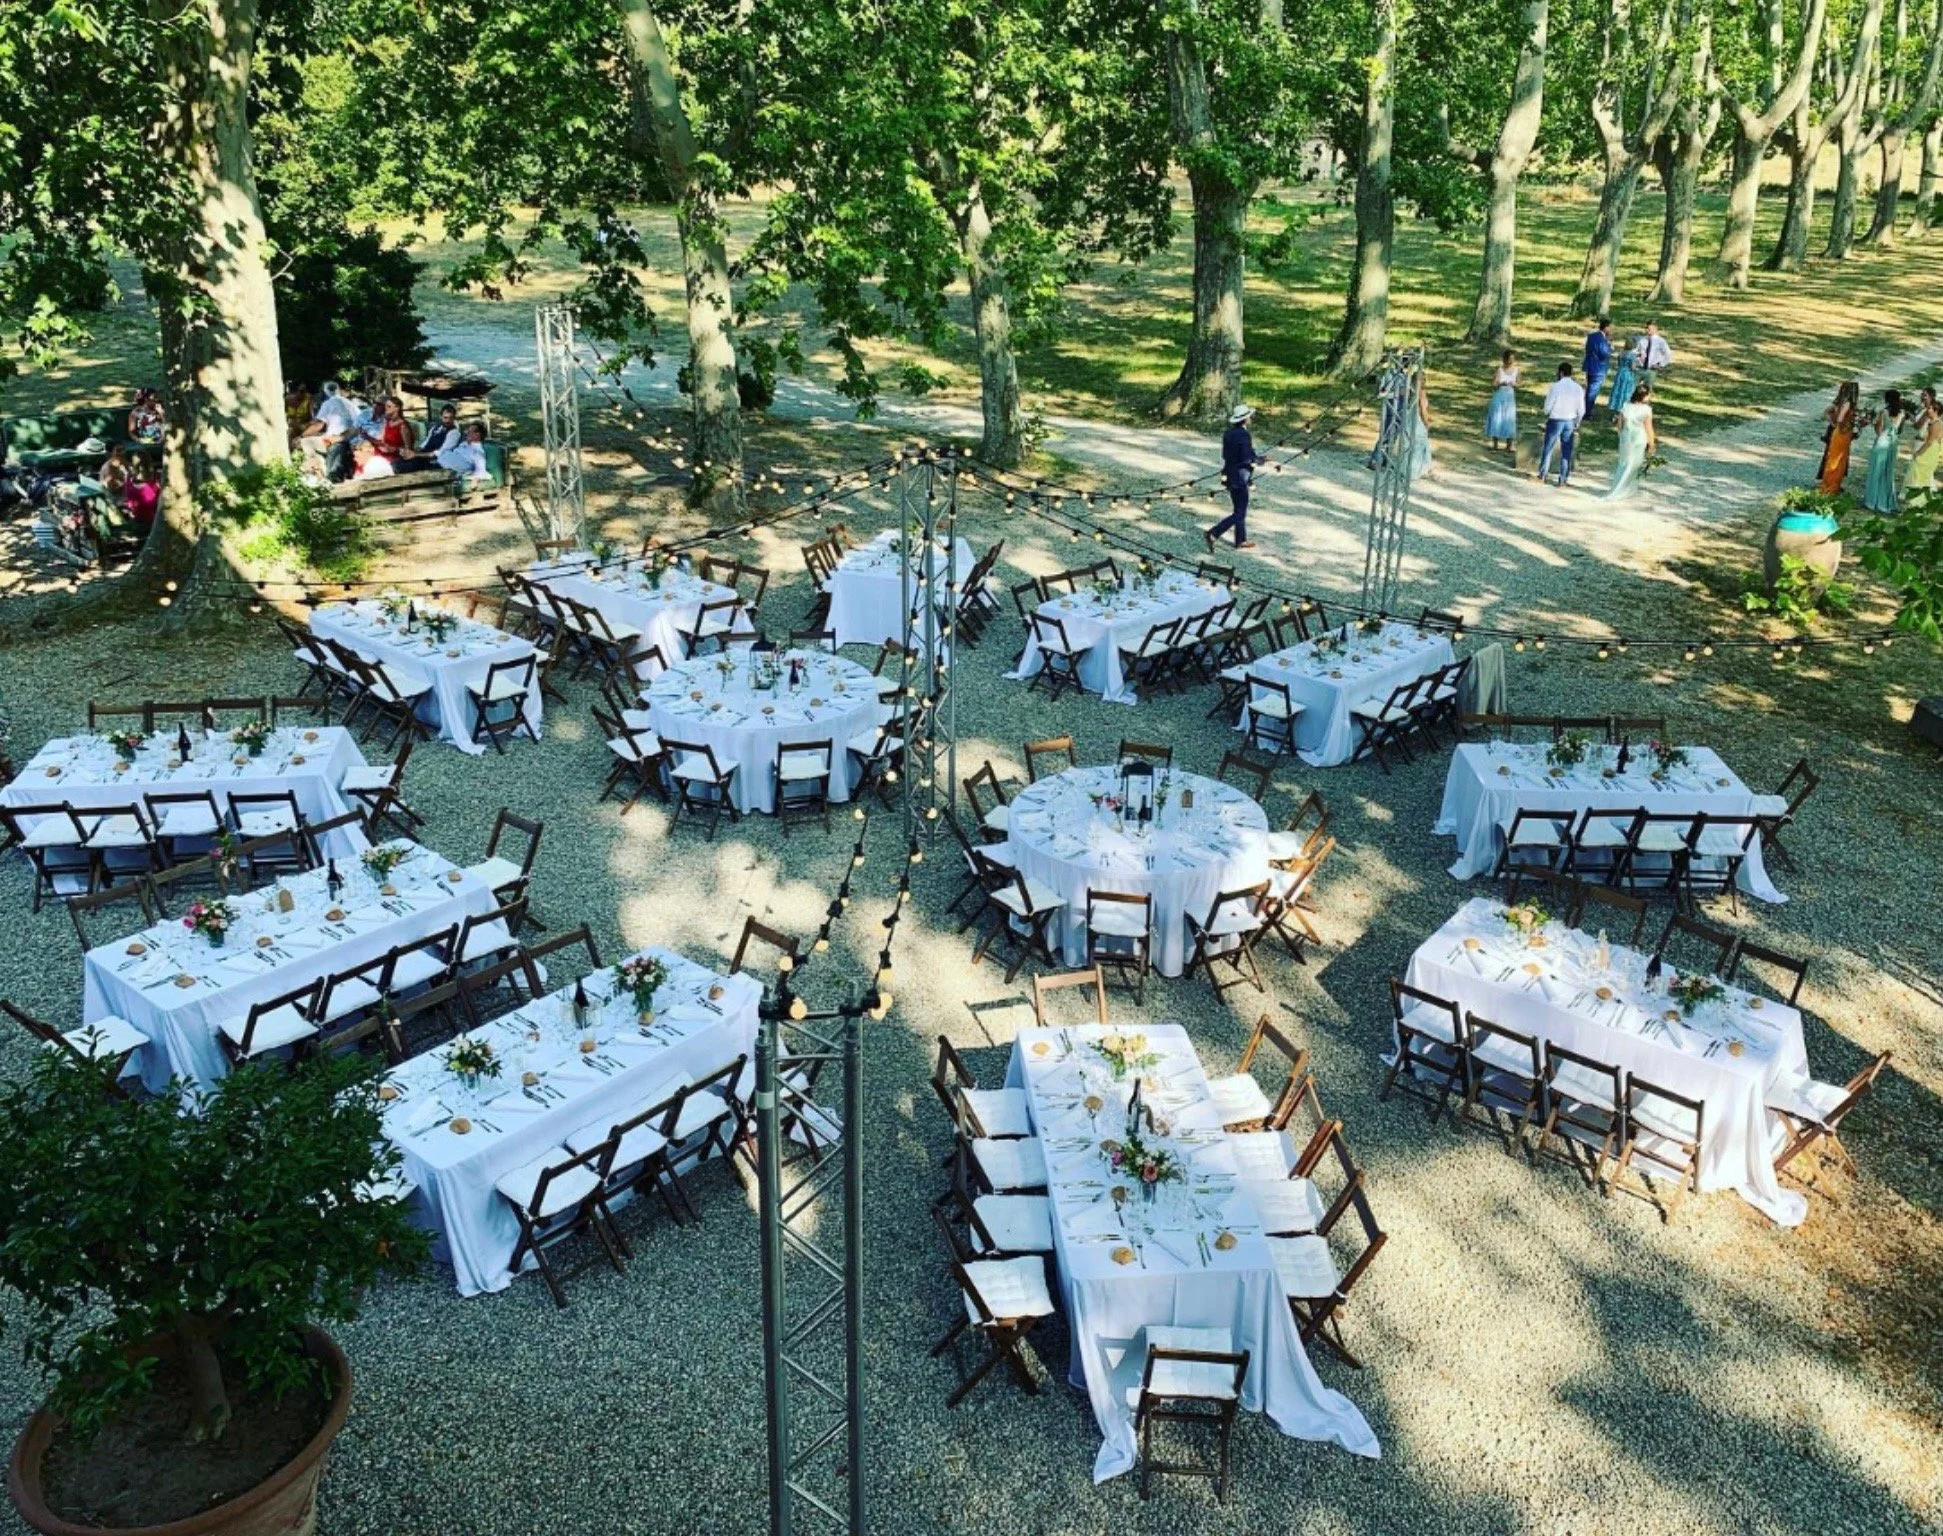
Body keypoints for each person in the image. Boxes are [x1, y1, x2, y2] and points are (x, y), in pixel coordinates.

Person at [1208, 403, 1264, 551]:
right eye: (1249, 416)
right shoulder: (1244, 435)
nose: (1251, 418)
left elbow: (1226, 455)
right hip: (1240, 476)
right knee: (1240, 512)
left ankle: (1241, 540)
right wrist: (1261, 460)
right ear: (1245, 419)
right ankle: (1214, 532)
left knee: (1239, 508)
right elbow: (1246, 458)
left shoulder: (1228, 433)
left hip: (1229, 474)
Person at [1598, 383, 1657, 501]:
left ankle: (1618, 487)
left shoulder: (1626, 406)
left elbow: (1619, 424)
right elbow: (1648, 428)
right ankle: (1626, 488)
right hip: (1639, 437)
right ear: (1643, 396)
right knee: (1634, 463)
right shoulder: (1646, 410)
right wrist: (1651, 444)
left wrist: (1622, 436)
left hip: (1626, 436)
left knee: (1623, 462)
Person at [1535, 362, 1586, 488]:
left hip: (1556, 419)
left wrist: (1547, 412)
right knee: (1566, 450)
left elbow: (1548, 406)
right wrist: (1577, 422)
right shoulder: (1578, 388)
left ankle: (1542, 475)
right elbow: (1581, 409)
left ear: (1560, 372)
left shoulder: (1555, 386)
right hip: (1570, 420)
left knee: (1548, 448)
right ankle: (1563, 479)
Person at [1862, 388, 1906, 512]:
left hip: (1882, 442)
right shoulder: (1902, 413)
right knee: (1888, 471)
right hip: (1893, 443)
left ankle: (1872, 500)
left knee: (1876, 470)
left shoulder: (1884, 412)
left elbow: (1879, 431)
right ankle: (1885, 499)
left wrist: (1874, 423)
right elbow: (1899, 430)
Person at [1817, 380, 1859, 492]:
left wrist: (1832, 423)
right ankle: (1831, 485)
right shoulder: (1847, 403)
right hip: (1842, 432)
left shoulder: (1839, 402)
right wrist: (1843, 426)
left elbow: (1827, 412)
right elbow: (1840, 419)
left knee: (1833, 456)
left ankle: (1828, 483)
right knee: (1838, 459)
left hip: (1837, 432)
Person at [1905, 386, 1942, 495]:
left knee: (1918, 469)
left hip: (1923, 442)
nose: (1922, 396)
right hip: (1921, 440)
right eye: (1922, 394)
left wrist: (1910, 418)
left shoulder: (1929, 411)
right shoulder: (1923, 409)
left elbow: (1918, 425)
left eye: (1925, 395)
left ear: (1931, 397)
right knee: (1918, 470)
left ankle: (1921, 492)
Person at [1484, 351, 1519, 451]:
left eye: (1512, 360)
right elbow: (1494, 384)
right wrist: (1500, 383)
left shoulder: (1516, 370)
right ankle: (1495, 444)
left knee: (1509, 419)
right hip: (1499, 395)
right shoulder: (1499, 370)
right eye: (1509, 359)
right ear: (1504, 359)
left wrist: (1514, 384)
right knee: (1497, 418)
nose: (1510, 362)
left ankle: (1509, 445)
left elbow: (1519, 383)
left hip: (1509, 397)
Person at [1582, 319, 1613, 416]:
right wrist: (1610, 347)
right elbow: (1603, 353)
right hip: (1598, 368)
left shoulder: (1591, 336)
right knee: (1593, 391)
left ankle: (1585, 408)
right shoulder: (1603, 340)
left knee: (1589, 389)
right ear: (1606, 327)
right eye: (1610, 328)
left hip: (1589, 365)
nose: (1611, 330)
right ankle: (1587, 412)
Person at [1407, 372, 1434, 479]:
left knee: (1412, 443)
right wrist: (1426, 422)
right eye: (1423, 379)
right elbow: (1422, 409)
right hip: (1418, 420)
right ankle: (1419, 469)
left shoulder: (1410, 391)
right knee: (1420, 444)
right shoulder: (1421, 392)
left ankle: (1415, 468)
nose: (1424, 381)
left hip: (1410, 419)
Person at [122, 458, 160, 527]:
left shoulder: (128, 482)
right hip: (153, 522)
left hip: (137, 520)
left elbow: (129, 505)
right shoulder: (155, 483)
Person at [1606, 339, 1638, 418]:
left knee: (1618, 389)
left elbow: (1619, 363)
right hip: (1627, 374)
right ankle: (1624, 409)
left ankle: (1616, 408)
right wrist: (1636, 369)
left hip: (1620, 372)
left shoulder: (1621, 353)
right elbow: (1632, 367)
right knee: (1626, 391)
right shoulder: (1632, 355)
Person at [1633, 321, 1672, 386]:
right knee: (1632, 385)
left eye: (1649, 329)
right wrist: (1638, 356)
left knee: (1647, 387)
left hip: (1651, 369)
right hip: (1640, 368)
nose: (1647, 330)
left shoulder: (1660, 341)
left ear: (1655, 329)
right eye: (1646, 328)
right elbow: (1636, 351)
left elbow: (1668, 354)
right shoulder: (1642, 340)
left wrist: (1660, 364)